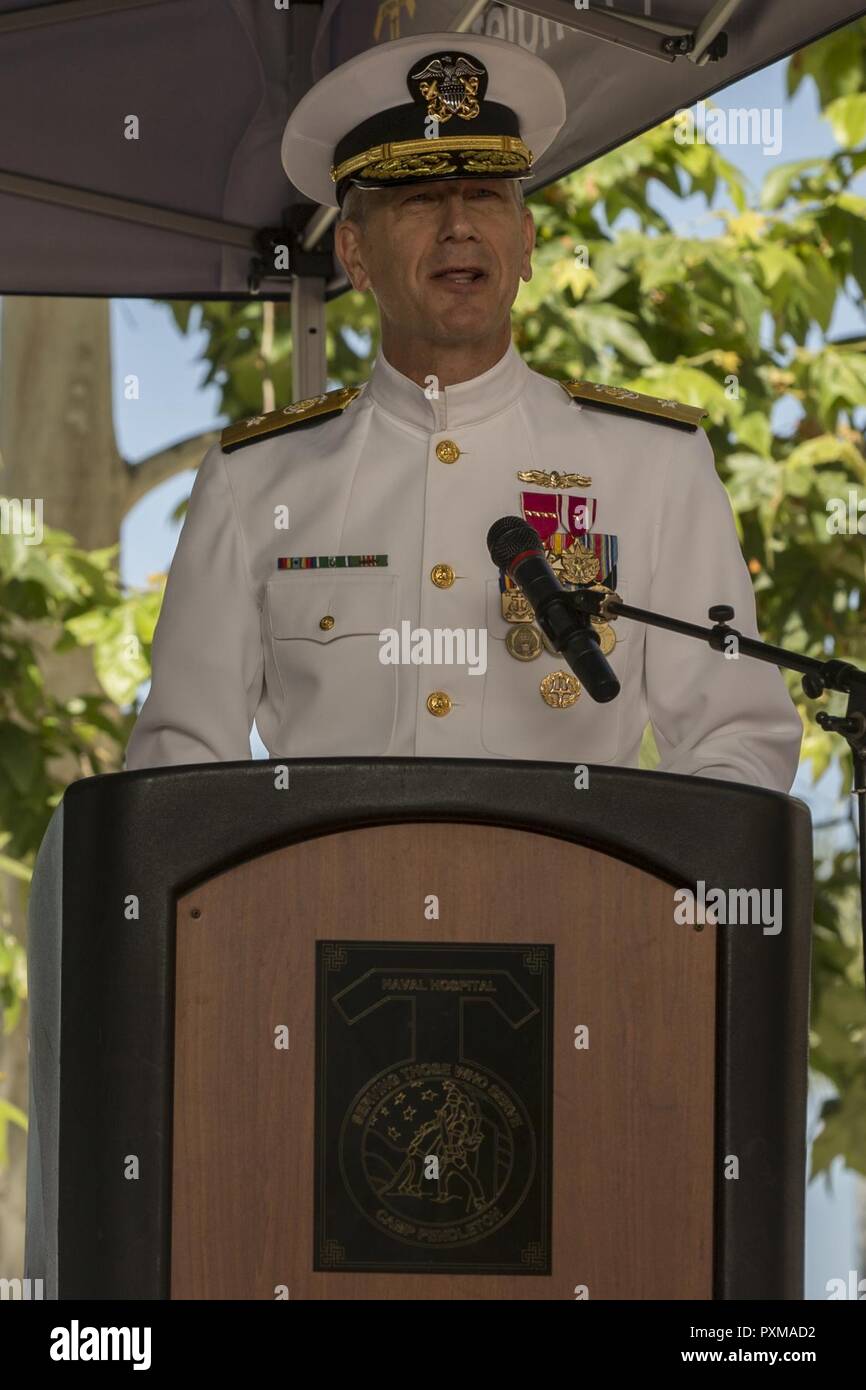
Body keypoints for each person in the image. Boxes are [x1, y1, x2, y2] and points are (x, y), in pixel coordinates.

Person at [124, 31, 802, 791]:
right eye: (419, 199)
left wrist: (648, 900)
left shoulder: (652, 463)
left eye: (484, 194)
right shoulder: (256, 480)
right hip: (328, 905)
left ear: (526, 238)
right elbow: (180, 762)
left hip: (574, 905)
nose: (458, 226)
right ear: (354, 254)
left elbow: (735, 733)